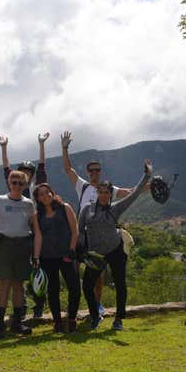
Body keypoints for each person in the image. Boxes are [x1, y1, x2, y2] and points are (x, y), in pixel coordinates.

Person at [60, 130, 143, 317]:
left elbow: (131, 192)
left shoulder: (108, 190)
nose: (95, 173)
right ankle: (81, 309)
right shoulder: (83, 186)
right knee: (85, 275)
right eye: (92, 170)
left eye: (98, 170)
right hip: (84, 236)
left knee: (99, 276)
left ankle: (97, 307)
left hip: (103, 239)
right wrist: (64, 148)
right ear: (88, 172)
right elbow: (68, 170)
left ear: (101, 172)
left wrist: (149, 185)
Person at [79, 159, 153, 331]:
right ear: (97, 192)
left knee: (120, 284)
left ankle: (119, 319)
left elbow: (134, 194)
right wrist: (81, 250)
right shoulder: (87, 210)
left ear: (111, 194)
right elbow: (80, 231)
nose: (104, 195)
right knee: (87, 286)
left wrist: (147, 175)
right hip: (96, 253)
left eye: (107, 192)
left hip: (115, 250)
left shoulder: (116, 208)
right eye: (102, 192)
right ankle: (95, 317)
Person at [0, 133, 50, 318]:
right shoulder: (16, 187)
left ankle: (38, 305)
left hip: (38, 231)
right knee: (20, 274)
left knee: (38, 269)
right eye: (23, 170)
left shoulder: (37, 187)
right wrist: (4, 148)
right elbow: (6, 168)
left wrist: (41, 144)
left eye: (29, 171)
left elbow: (42, 165)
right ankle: (22, 309)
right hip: (22, 233)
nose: (26, 173)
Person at [0, 170, 35, 338]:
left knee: (18, 286)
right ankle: (0, 323)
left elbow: (33, 226)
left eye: (20, 183)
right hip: (4, 246)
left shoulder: (29, 204)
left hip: (23, 245)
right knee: (4, 284)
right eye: (13, 182)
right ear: (9, 183)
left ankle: (16, 322)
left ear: (24, 185)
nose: (16, 185)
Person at [32, 183, 80, 333]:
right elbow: (38, 236)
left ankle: (71, 319)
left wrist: (72, 250)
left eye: (47, 192)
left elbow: (75, 231)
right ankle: (57, 322)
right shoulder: (37, 216)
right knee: (53, 290)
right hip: (48, 256)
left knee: (74, 287)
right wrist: (36, 257)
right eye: (41, 194)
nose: (45, 196)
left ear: (52, 193)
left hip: (66, 254)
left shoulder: (65, 208)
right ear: (37, 198)